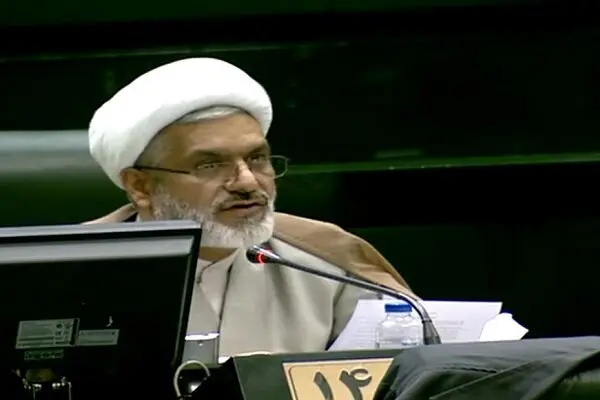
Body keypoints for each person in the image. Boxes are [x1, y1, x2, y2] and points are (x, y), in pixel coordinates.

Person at [86, 57, 417, 357]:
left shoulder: (326, 262)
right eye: (209, 165)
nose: (246, 182)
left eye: (257, 159)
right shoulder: (80, 272)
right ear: (140, 186)